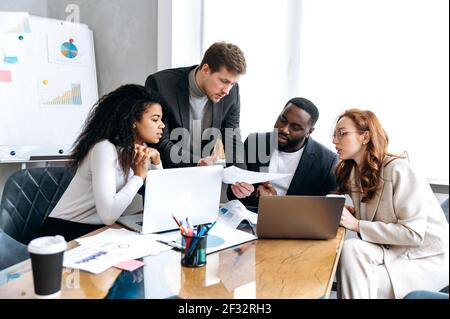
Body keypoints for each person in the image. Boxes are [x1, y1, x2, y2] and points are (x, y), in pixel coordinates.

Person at [333, 108, 449, 299]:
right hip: (391, 252)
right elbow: (382, 215)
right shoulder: (353, 173)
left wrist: (356, 224)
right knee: (351, 249)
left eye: (342, 134)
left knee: (356, 277)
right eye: (334, 135)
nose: (335, 141)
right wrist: (356, 214)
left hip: (423, 259)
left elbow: (413, 234)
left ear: (365, 136)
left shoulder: (399, 170)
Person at [39, 84, 165, 241]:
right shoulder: (104, 148)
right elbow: (108, 215)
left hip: (99, 231)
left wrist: (157, 161)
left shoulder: (142, 149)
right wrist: (139, 176)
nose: (162, 125)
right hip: (64, 232)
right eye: (155, 119)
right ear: (133, 121)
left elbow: (161, 201)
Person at [145, 41, 247, 168]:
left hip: (203, 175)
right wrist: (198, 162)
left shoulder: (232, 94)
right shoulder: (161, 85)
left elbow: (232, 139)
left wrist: (241, 177)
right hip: (167, 172)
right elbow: (160, 142)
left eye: (233, 84)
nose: (227, 91)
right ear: (205, 70)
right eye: (224, 81)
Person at [227, 97, 337, 207]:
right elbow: (231, 194)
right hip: (252, 219)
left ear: (309, 132)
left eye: (295, 127)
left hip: (296, 222)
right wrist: (254, 194)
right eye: (283, 120)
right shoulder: (254, 142)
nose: (284, 129)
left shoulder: (327, 162)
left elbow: (326, 210)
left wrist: (277, 202)